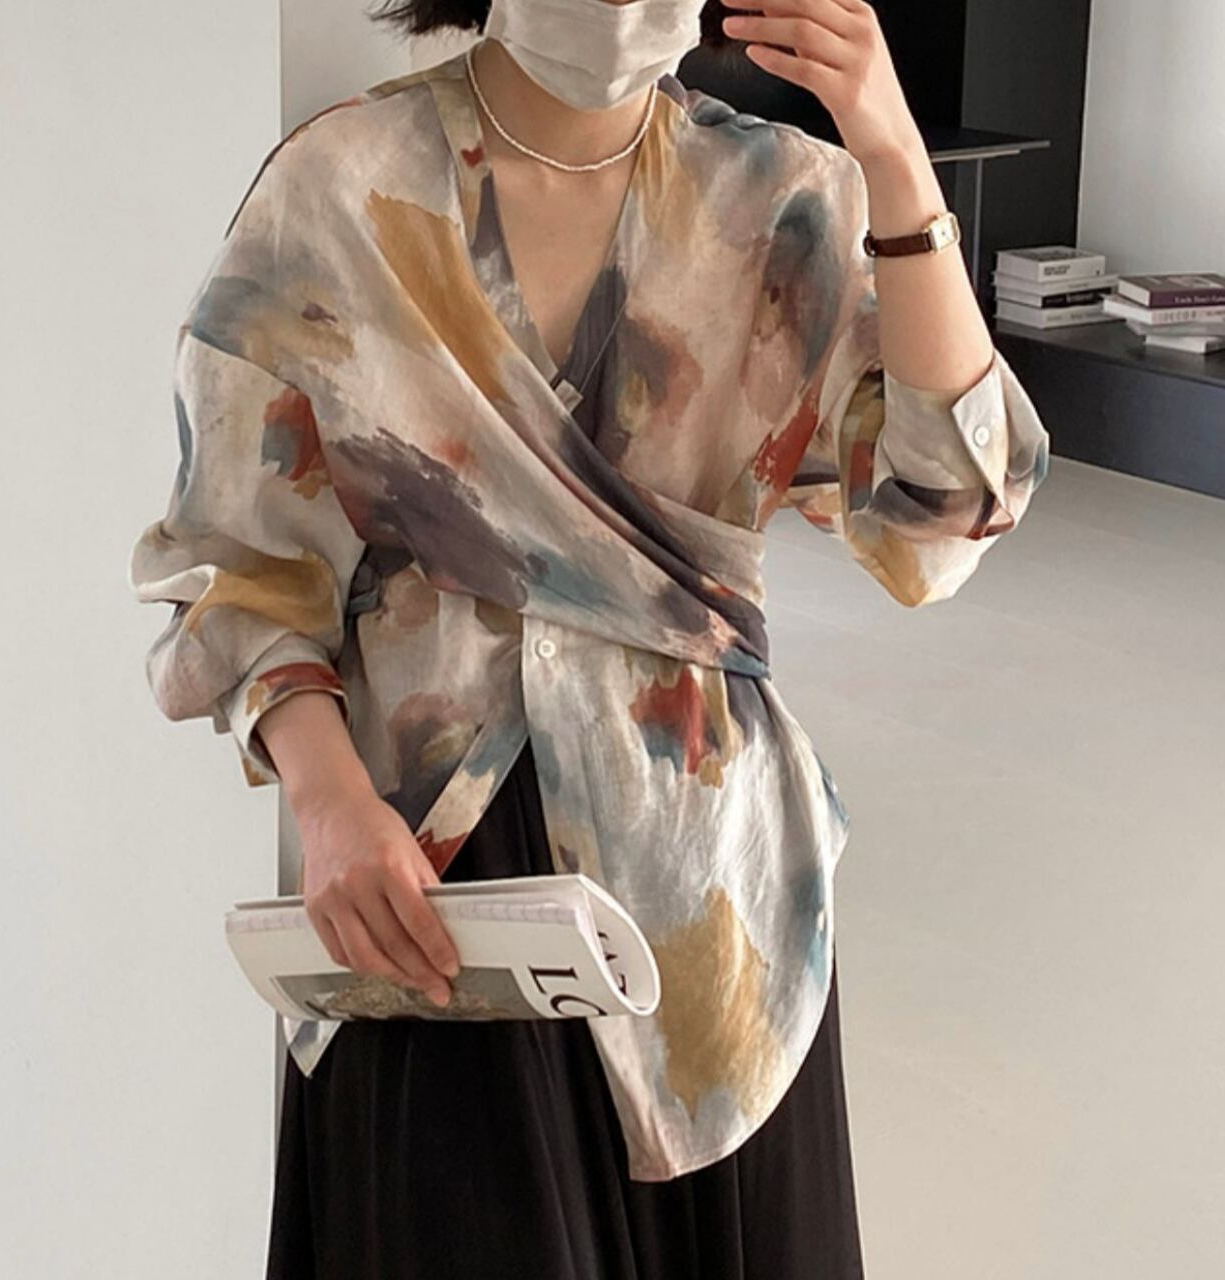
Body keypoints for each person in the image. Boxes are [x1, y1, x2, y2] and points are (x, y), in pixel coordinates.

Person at [127, 0, 1050, 1274]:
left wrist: (891, 157)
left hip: (706, 903)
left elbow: (938, 521)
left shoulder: (785, 200)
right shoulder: (339, 186)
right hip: (430, 882)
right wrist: (328, 801)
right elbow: (237, 556)